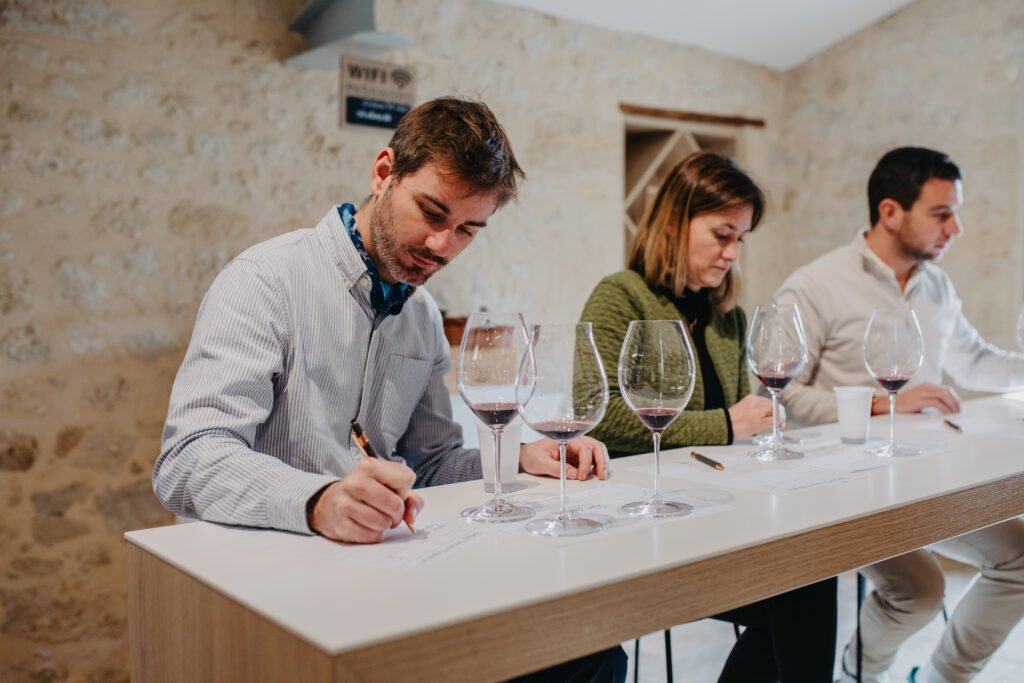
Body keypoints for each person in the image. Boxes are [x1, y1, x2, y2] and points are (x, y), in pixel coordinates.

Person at [153, 97, 625, 682]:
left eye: (467, 231)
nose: (442, 247)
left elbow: (434, 462)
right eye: (431, 212)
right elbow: (185, 461)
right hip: (265, 596)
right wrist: (319, 500)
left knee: (592, 652)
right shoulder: (263, 281)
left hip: (378, 585)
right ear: (383, 173)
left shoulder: (421, 314)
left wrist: (522, 458)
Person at [580, 151, 838, 682]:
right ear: (676, 221)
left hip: (718, 510)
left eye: (741, 239)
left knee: (813, 571)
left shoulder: (728, 315)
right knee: (798, 599)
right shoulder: (619, 296)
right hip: (648, 522)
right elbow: (601, 418)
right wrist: (729, 423)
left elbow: (738, 441)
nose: (732, 253)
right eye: (723, 234)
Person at [775, 146, 1024, 683]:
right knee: (921, 591)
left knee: (1023, 558)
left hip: (924, 477)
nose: (955, 229)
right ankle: (857, 674)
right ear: (890, 212)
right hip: (839, 485)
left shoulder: (936, 284)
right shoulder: (814, 285)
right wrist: (883, 404)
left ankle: (941, 678)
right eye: (941, 214)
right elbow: (784, 400)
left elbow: (974, 361)